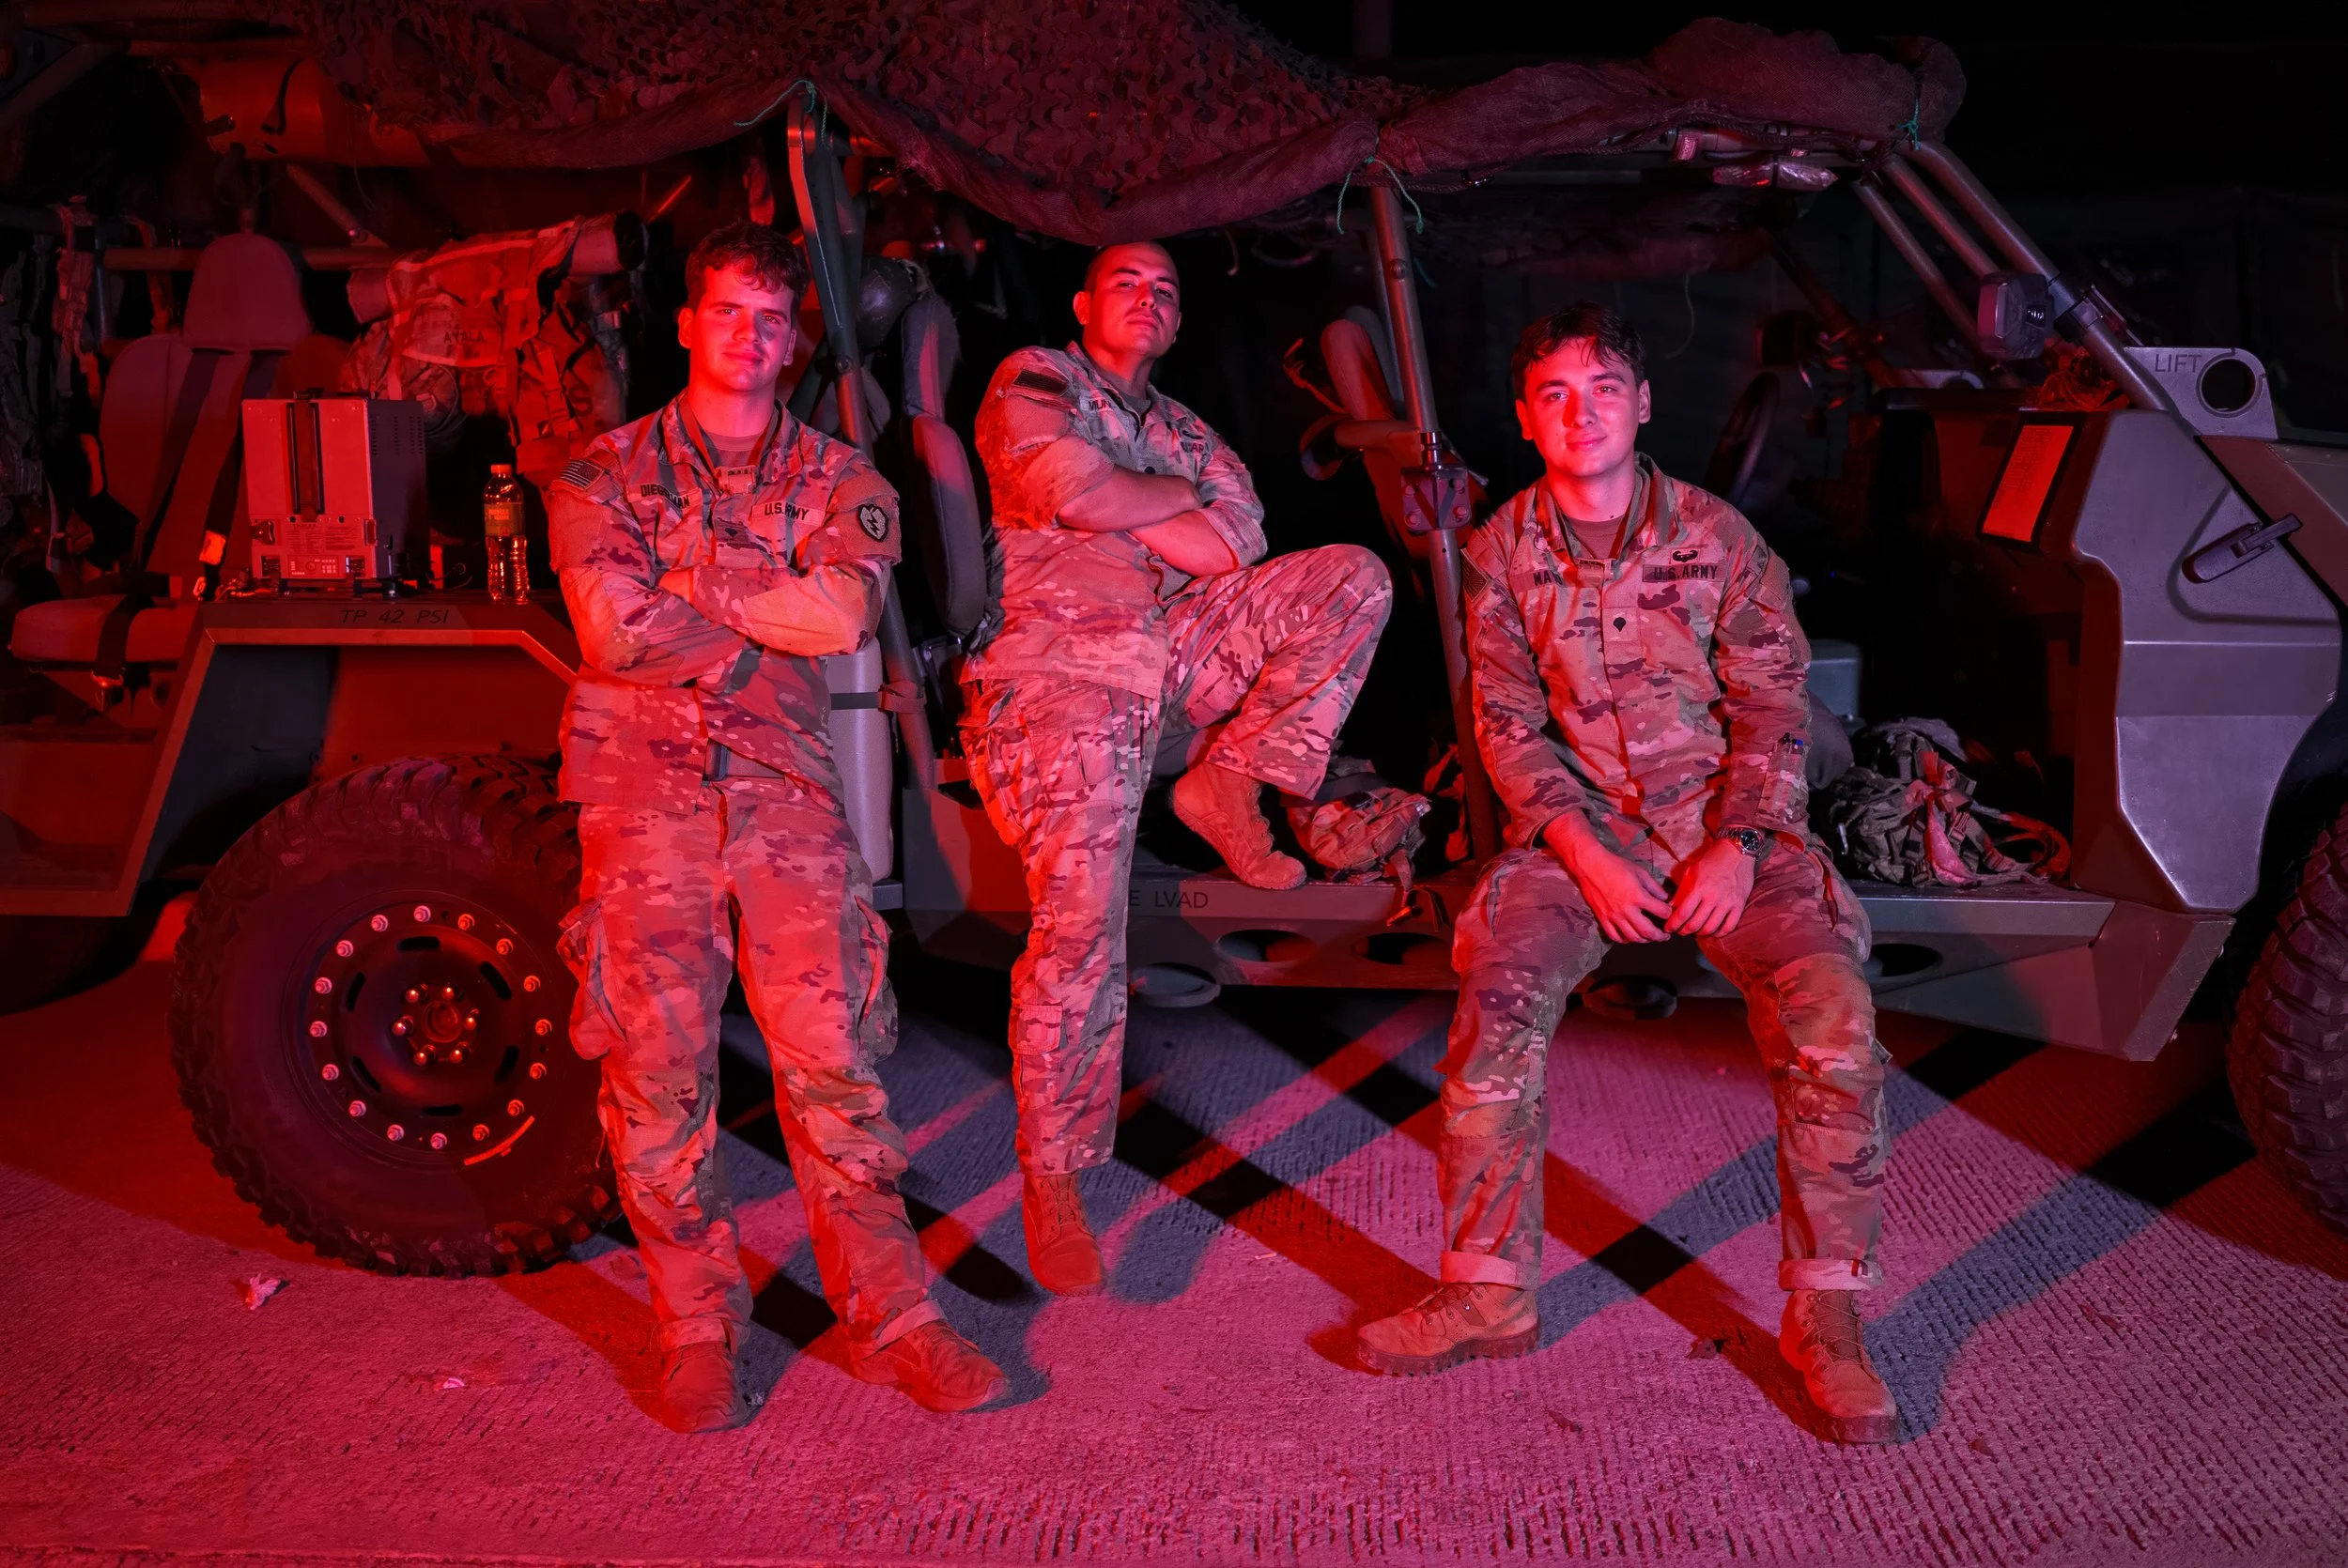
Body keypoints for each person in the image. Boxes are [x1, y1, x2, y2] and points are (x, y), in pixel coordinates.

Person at [1356, 303, 1897, 1445]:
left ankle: (1830, 1315)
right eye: (1553, 391)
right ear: (1524, 417)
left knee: (1833, 1022)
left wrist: (1739, 843)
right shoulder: (1501, 551)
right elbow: (1504, 730)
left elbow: (1773, 707)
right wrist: (1585, 851)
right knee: (1491, 1024)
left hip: (1727, 830)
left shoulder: (1716, 537)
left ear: (1642, 402)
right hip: (1578, 840)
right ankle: (1488, 1288)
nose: (1580, 410)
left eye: (1602, 386)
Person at [549, 221, 1005, 1431]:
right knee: (658, 1078)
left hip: (787, 800)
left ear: (793, 335)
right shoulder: (598, 474)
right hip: (641, 803)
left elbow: (841, 616)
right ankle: (698, 1326)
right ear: (688, 324)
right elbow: (610, 634)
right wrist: (761, 609)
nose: (752, 336)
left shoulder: (842, 480)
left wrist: (689, 583)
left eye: (774, 318)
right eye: (729, 311)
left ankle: (897, 1316)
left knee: (835, 1069)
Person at [962, 241, 1394, 1296]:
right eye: (1127, 283)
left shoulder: (1185, 426)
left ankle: (1230, 778)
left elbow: (1239, 540)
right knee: (1082, 918)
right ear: (1081, 304)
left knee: (1349, 578)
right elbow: (1067, 488)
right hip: (1059, 676)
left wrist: (1133, 494)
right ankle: (1056, 1175)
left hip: (1166, 660)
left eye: (1165, 287)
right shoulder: (1036, 378)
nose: (1148, 298)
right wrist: (1164, 507)